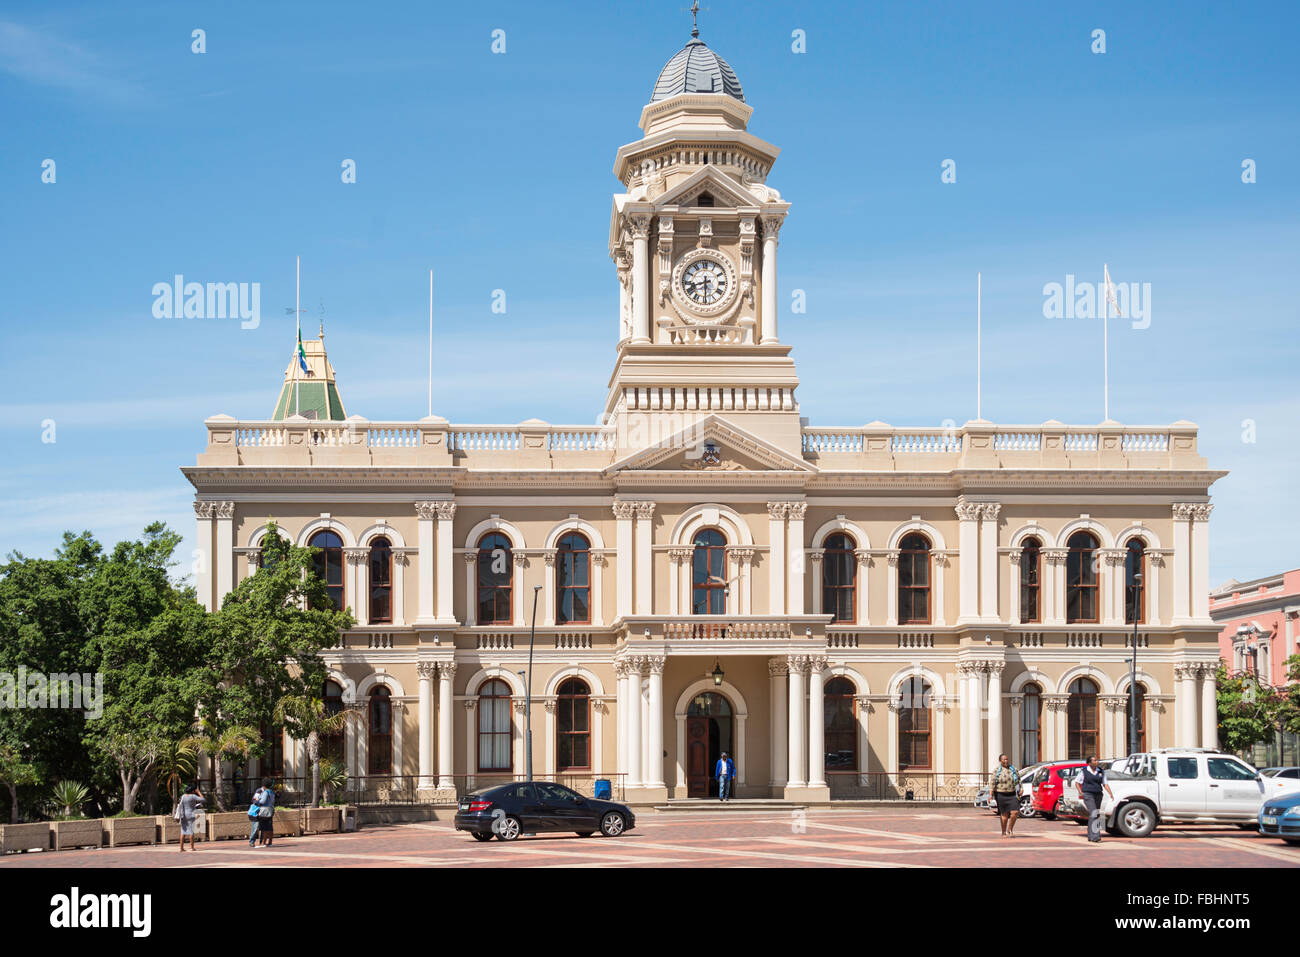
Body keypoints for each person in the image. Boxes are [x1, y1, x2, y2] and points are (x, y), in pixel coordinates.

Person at [1079, 755, 1113, 843]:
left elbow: (1105, 783)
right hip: (1088, 794)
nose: (1097, 762)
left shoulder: (1101, 771)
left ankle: (1091, 835)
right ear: (1089, 763)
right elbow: (1077, 782)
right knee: (1094, 812)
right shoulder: (1084, 771)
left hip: (1098, 794)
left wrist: (1110, 793)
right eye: (1094, 760)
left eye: (1097, 760)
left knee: (1095, 814)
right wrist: (1081, 792)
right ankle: (1096, 836)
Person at [989, 753, 1020, 837]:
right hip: (1000, 794)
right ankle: (1003, 832)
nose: (1006, 761)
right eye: (1004, 759)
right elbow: (992, 783)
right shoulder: (997, 770)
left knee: (1015, 812)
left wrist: (1021, 789)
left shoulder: (1013, 769)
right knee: (1004, 814)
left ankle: (1010, 829)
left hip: (1012, 794)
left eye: (1007, 759)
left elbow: (1018, 780)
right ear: (1000, 761)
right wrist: (990, 795)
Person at [175, 784, 205, 853]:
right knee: (191, 831)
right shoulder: (193, 796)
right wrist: (198, 792)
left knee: (183, 831)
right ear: (193, 790)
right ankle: (192, 847)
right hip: (191, 814)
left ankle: (181, 848)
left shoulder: (183, 796)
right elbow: (203, 799)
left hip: (183, 815)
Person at [255, 778, 276, 847]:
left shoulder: (265, 792)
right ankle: (270, 841)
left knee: (264, 827)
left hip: (264, 811)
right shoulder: (272, 792)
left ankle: (263, 842)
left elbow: (262, 801)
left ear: (264, 785)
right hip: (270, 810)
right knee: (270, 827)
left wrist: (257, 801)